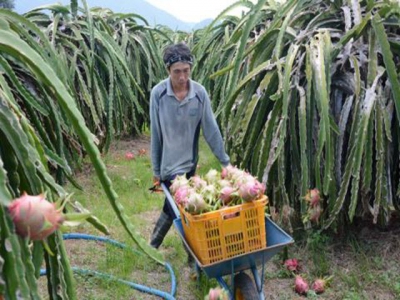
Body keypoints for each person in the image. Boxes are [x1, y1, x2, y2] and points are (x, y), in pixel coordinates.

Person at [149, 42, 230, 252]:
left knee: (181, 208)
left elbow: (211, 130)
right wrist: (156, 170)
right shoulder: (158, 94)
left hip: (189, 164)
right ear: (168, 70)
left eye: (186, 71)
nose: (182, 77)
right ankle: (188, 254)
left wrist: (225, 162)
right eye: (177, 72)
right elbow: (156, 135)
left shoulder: (199, 94)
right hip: (168, 166)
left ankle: (155, 247)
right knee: (177, 208)